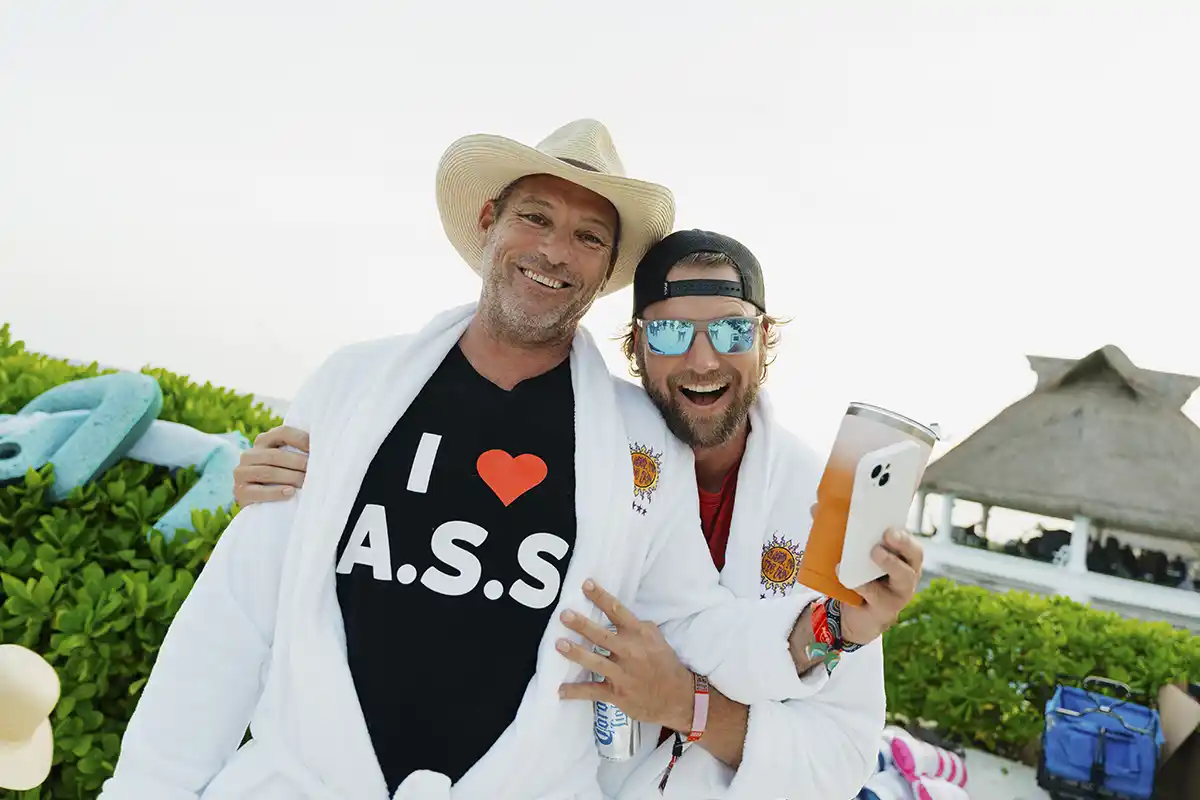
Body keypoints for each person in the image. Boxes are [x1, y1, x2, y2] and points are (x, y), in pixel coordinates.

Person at [100, 120, 822, 800]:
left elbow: (696, 620)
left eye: (588, 235)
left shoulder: (640, 442)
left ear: (604, 271)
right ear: (489, 223)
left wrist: (833, 627)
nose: (554, 251)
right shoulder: (352, 386)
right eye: (534, 217)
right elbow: (232, 620)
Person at [234, 229, 926, 798]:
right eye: (669, 336)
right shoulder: (601, 451)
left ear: (764, 340)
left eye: (732, 332)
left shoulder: (822, 500)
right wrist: (312, 486)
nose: (704, 360)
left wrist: (695, 704)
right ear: (634, 349)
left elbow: (838, 752)